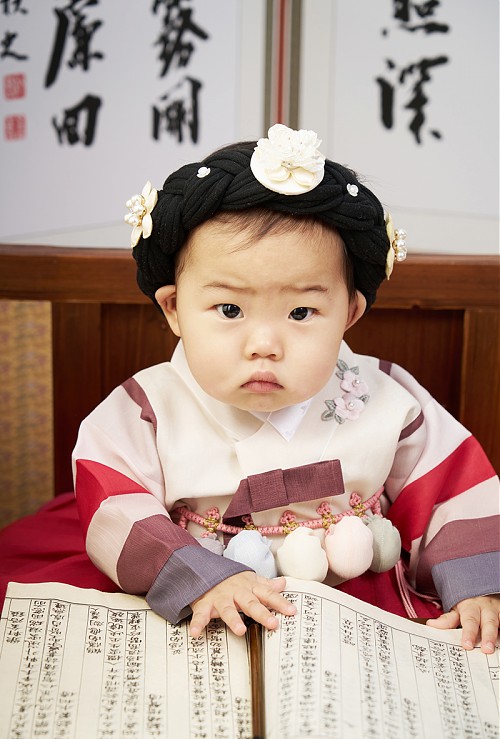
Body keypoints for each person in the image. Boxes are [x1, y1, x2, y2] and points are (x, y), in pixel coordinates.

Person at [73, 124, 499, 652]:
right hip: (204, 592)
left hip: (362, 592)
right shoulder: (149, 405)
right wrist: (192, 573)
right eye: (230, 309)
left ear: (350, 313)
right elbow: (113, 498)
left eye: (301, 312)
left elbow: (452, 488)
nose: (264, 345)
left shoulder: (385, 394)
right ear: (174, 308)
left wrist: (477, 584)